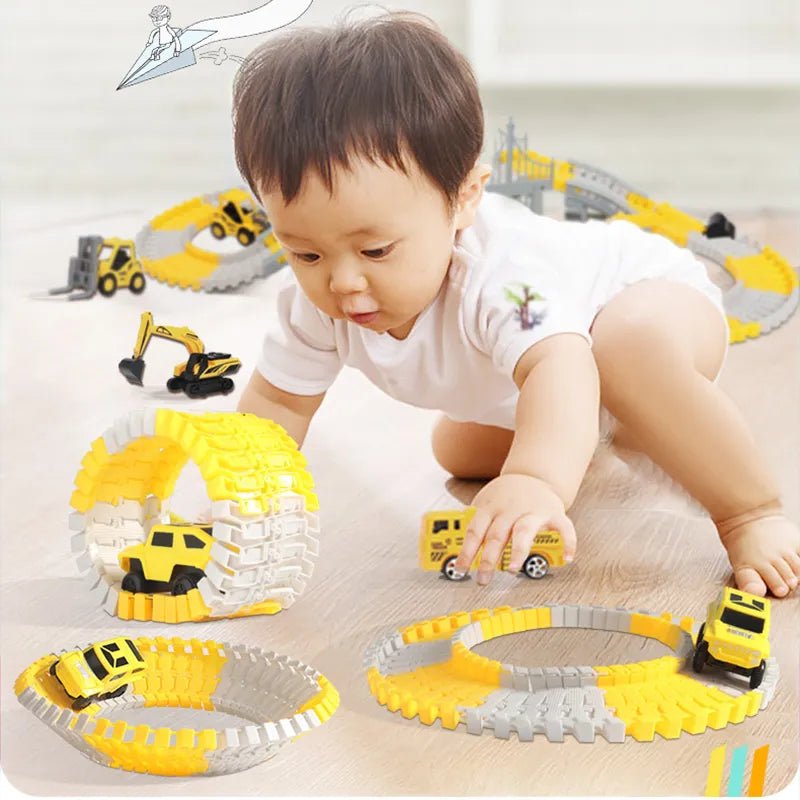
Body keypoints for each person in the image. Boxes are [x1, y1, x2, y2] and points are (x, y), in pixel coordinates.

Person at [230, 12, 799, 598]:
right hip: (553, 368)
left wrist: (535, 478)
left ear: (464, 200)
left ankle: (750, 512)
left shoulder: (505, 278)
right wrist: (241, 495)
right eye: (305, 253)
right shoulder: (315, 305)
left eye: (375, 250)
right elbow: (279, 401)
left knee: (620, 351)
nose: (343, 282)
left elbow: (560, 363)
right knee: (458, 451)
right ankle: (590, 434)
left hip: (650, 305)